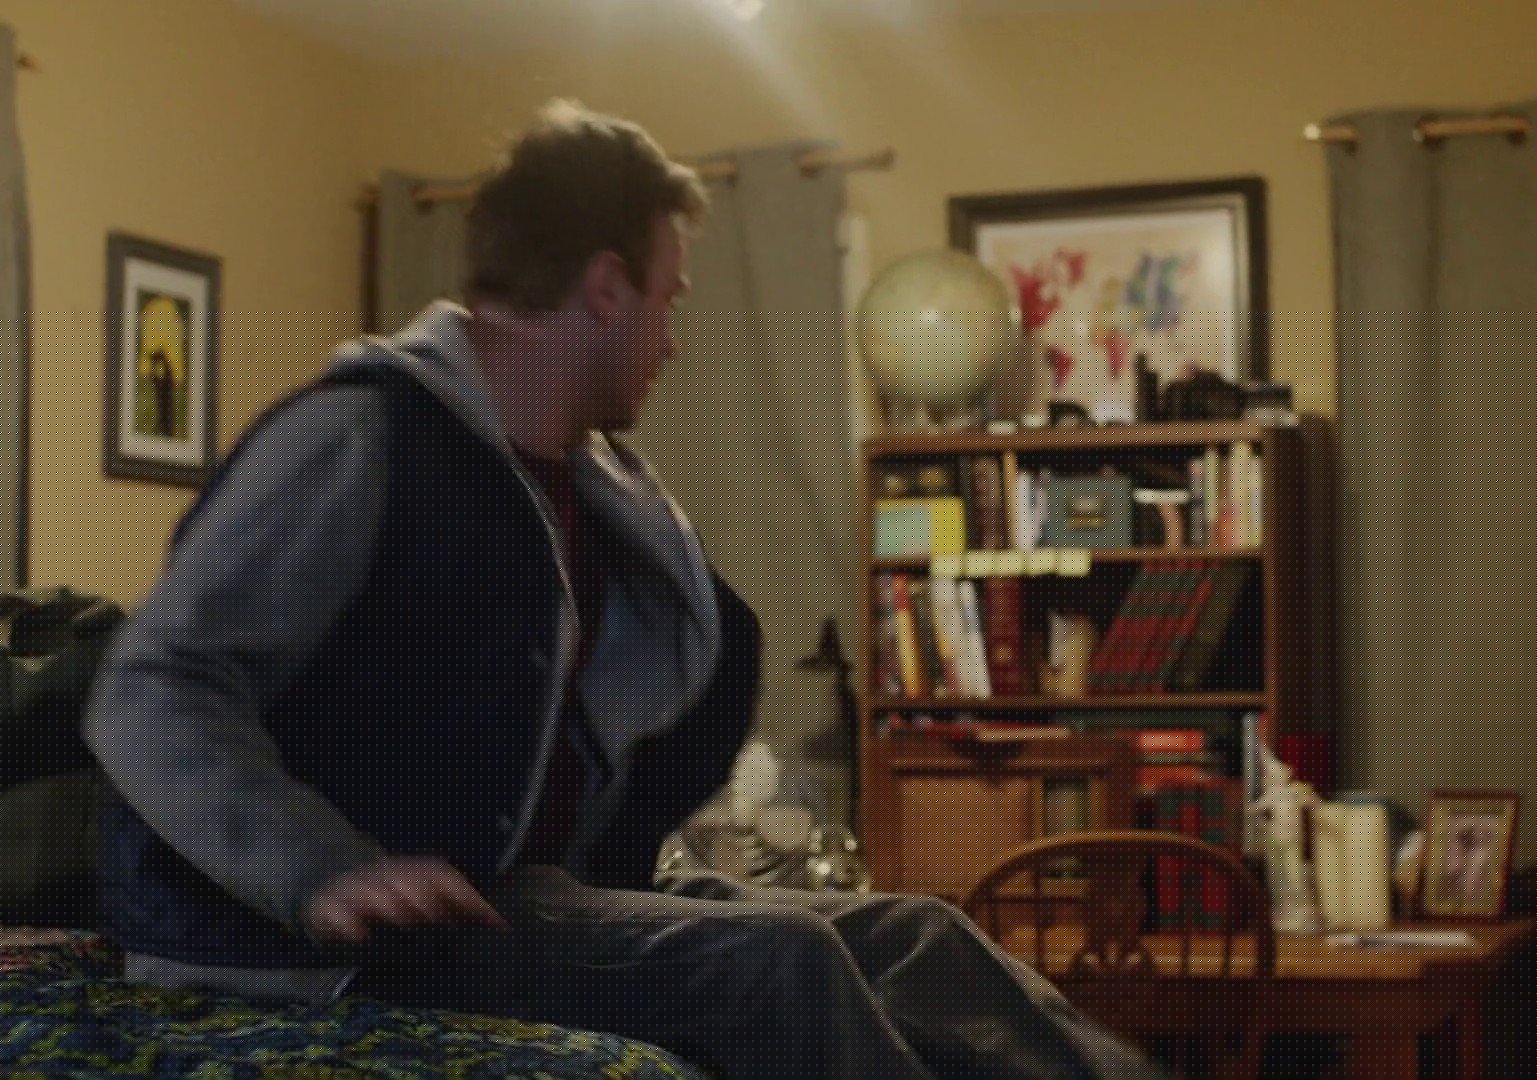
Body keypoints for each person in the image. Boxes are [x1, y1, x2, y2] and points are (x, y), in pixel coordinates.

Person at [85, 99, 1164, 1080]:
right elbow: (153, 687)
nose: (673, 339)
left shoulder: (582, 483)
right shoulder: (358, 437)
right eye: (668, 298)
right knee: (777, 961)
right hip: (324, 932)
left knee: (918, 936)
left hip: (513, 887)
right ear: (605, 287)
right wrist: (323, 870)